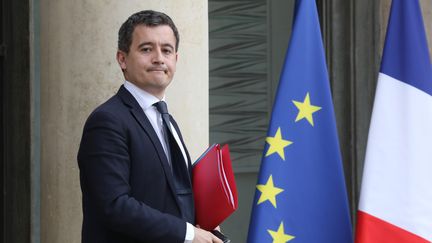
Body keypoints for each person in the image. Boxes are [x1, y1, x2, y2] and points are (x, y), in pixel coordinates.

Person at [77, 10, 222, 243]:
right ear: (122, 59)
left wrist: (201, 222)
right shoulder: (107, 121)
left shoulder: (167, 120)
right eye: (146, 49)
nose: (158, 58)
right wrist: (188, 233)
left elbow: (169, 197)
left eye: (166, 50)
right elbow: (114, 205)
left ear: (176, 58)